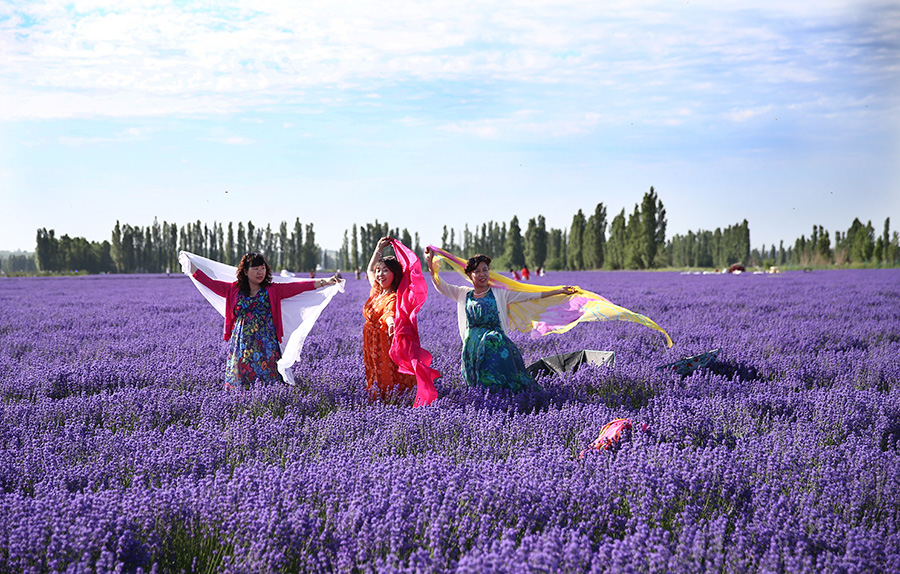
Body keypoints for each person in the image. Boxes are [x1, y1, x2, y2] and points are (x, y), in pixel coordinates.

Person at [425, 248, 575, 391]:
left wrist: (558, 291)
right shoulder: (463, 293)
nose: (482, 274)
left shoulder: (500, 293)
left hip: (495, 344)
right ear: (470, 275)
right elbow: (441, 286)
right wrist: (431, 265)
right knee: (477, 383)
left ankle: (513, 405)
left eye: (485, 270)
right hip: (472, 346)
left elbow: (530, 293)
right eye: (477, 271)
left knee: (499, 379)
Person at [187, 252, 340, 389]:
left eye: (263, 268)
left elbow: (299, 286)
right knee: (242, 377)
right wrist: (188, 264)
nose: (260, 272)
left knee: (268, 377)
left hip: (266, 342)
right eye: (256, 269)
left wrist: (324, 282)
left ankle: (269, 401)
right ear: (246, 271)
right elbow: (208, 281)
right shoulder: (233, 289)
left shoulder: (273, 290)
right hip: (242, 342)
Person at [363, 237, 418, 399]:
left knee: (386, 374)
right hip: (371, 341)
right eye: (380, 270)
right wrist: (378, 248)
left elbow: (389, 313)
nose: (380, 274)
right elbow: (370, 270)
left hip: (383, 342)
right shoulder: (377, 292)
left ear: (395, 274)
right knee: (374, 371)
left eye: (385, 270)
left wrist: (391, 323)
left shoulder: (393, 297)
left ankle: (392, 402)